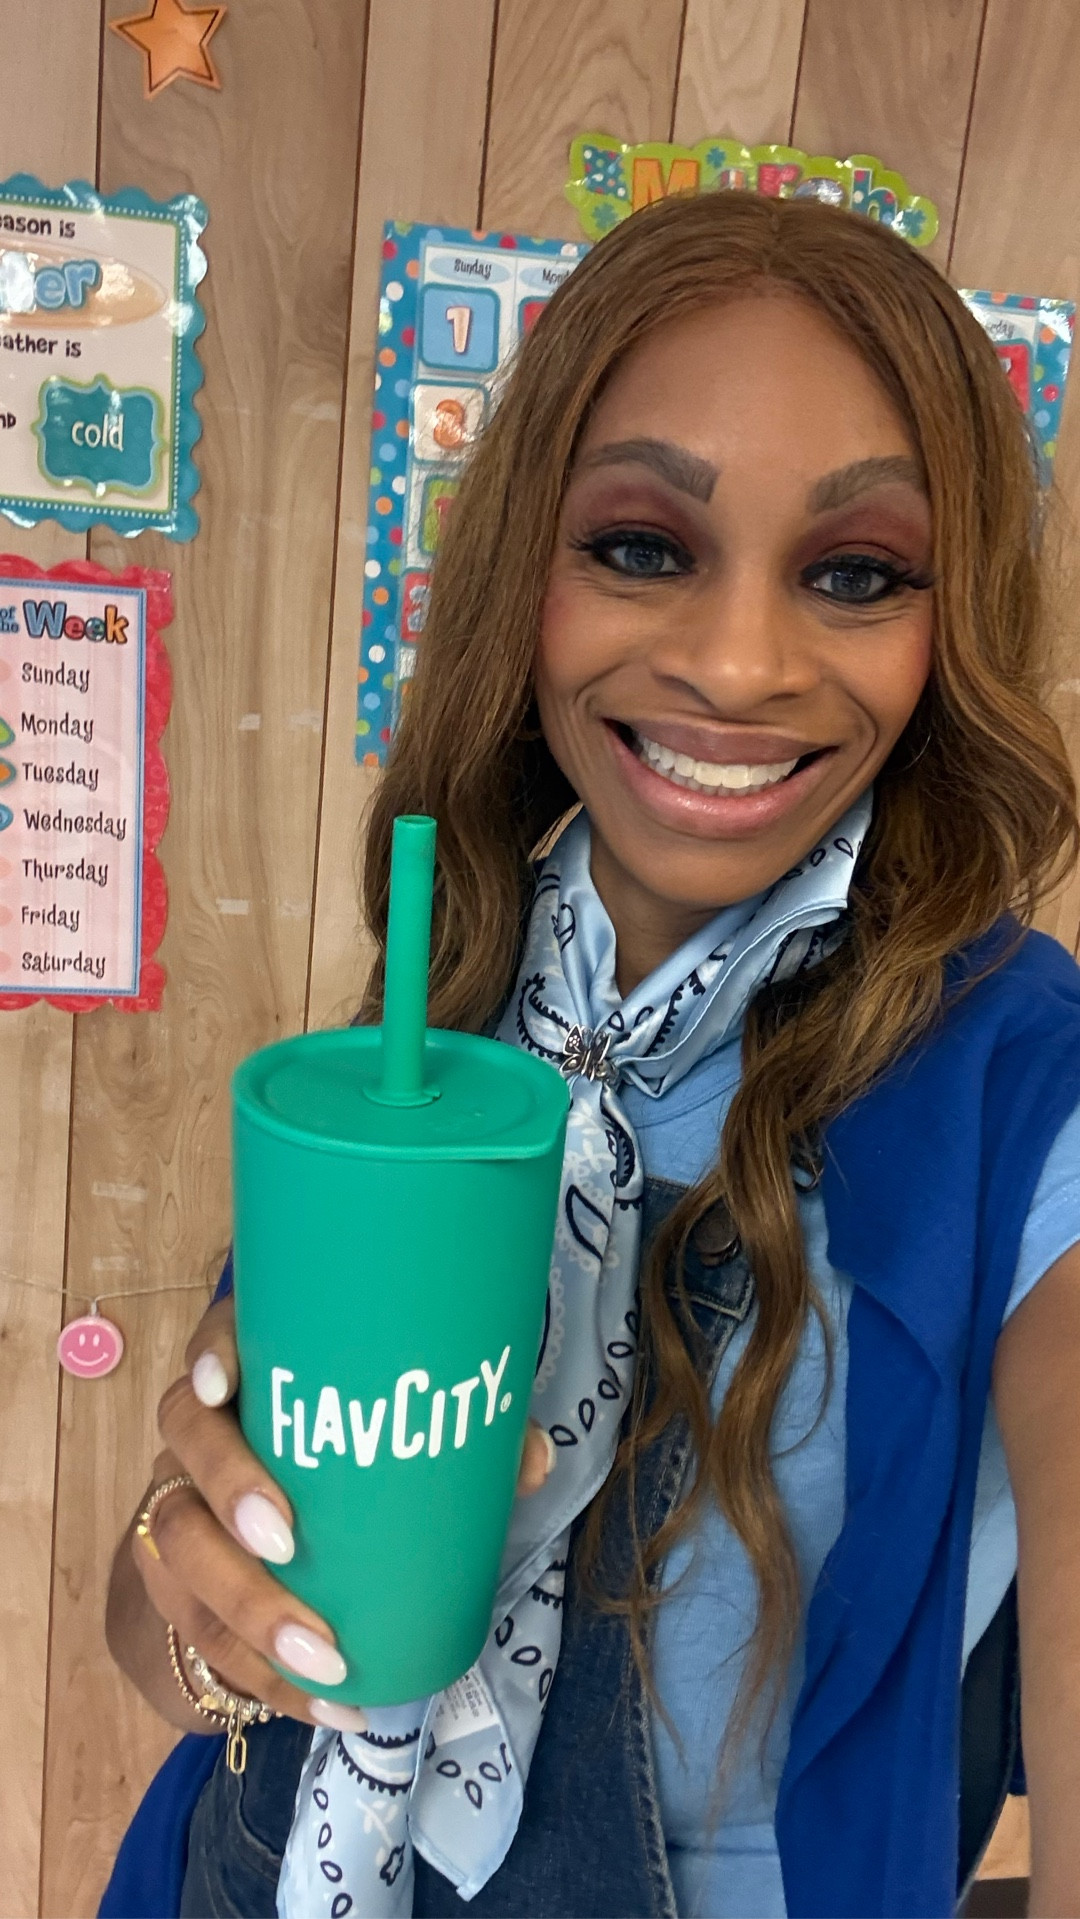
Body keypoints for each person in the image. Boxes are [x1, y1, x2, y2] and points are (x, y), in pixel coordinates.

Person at [102, 189, 1080, 1919]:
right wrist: (195, 1593)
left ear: (949, 632)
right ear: (528, 578)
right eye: (643, 545)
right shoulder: (428, 1023)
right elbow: (169, 1633)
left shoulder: (1022, 1075)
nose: (734, 661)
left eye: (855, 574)